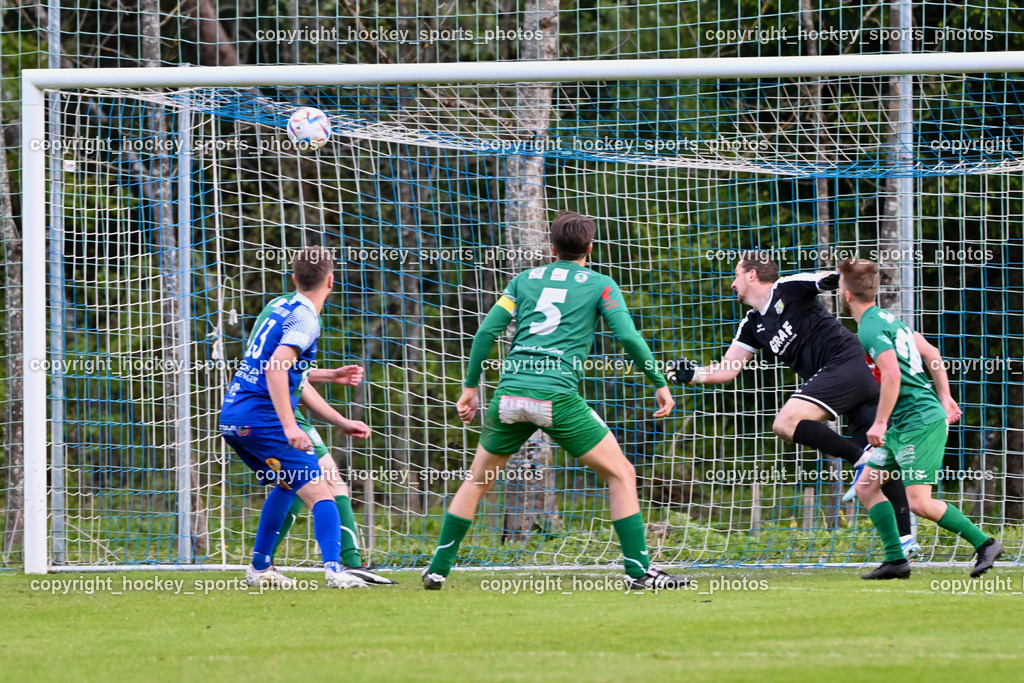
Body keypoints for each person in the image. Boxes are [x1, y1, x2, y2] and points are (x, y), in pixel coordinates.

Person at [423, 211, 687, 591]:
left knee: (477, 480)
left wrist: (470, 388)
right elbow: (628, 337)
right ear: (590, 248)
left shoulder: (522, 280)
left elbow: (486, 332)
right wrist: (658, 382)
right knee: (621, 474)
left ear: (552, 247)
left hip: (510, 395)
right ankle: (639, 573)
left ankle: (437, 569)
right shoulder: (601, 285)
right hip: (555, 396)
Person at [666, 251, 919, 557]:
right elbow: (728, 369)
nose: (733, 284)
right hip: (847, 378)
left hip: (847, 364)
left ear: (751, 275)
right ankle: (906, 541)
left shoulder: (787, 287)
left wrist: (838, 276)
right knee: (879, 459)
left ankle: (859, 458)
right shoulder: (753, 324)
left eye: (736, 275)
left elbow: (828, 279)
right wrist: (694, 374)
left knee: (786, 423)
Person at [838, 258, 1004, 579]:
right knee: (867, 487)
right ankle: (895, 561)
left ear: (845, 294)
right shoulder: (888, 319)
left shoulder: (871, 328)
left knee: (919, 502)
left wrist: (880, 421)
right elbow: (932, 354)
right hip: (907, 423)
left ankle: (985, 544)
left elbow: (891, 375)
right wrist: (945, 395)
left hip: (919, 423)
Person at [219, 246, 367, 589]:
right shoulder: (306, 319)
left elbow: (280, 368)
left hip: (234, 414)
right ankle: (335, 571)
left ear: (293, 279)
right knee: (323, 493)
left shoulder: (276, 306)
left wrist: (331, 377)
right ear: (331, 280)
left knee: (288, 486)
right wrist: (289, 427)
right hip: (262, 416)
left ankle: (259, 568)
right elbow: (276, 368)